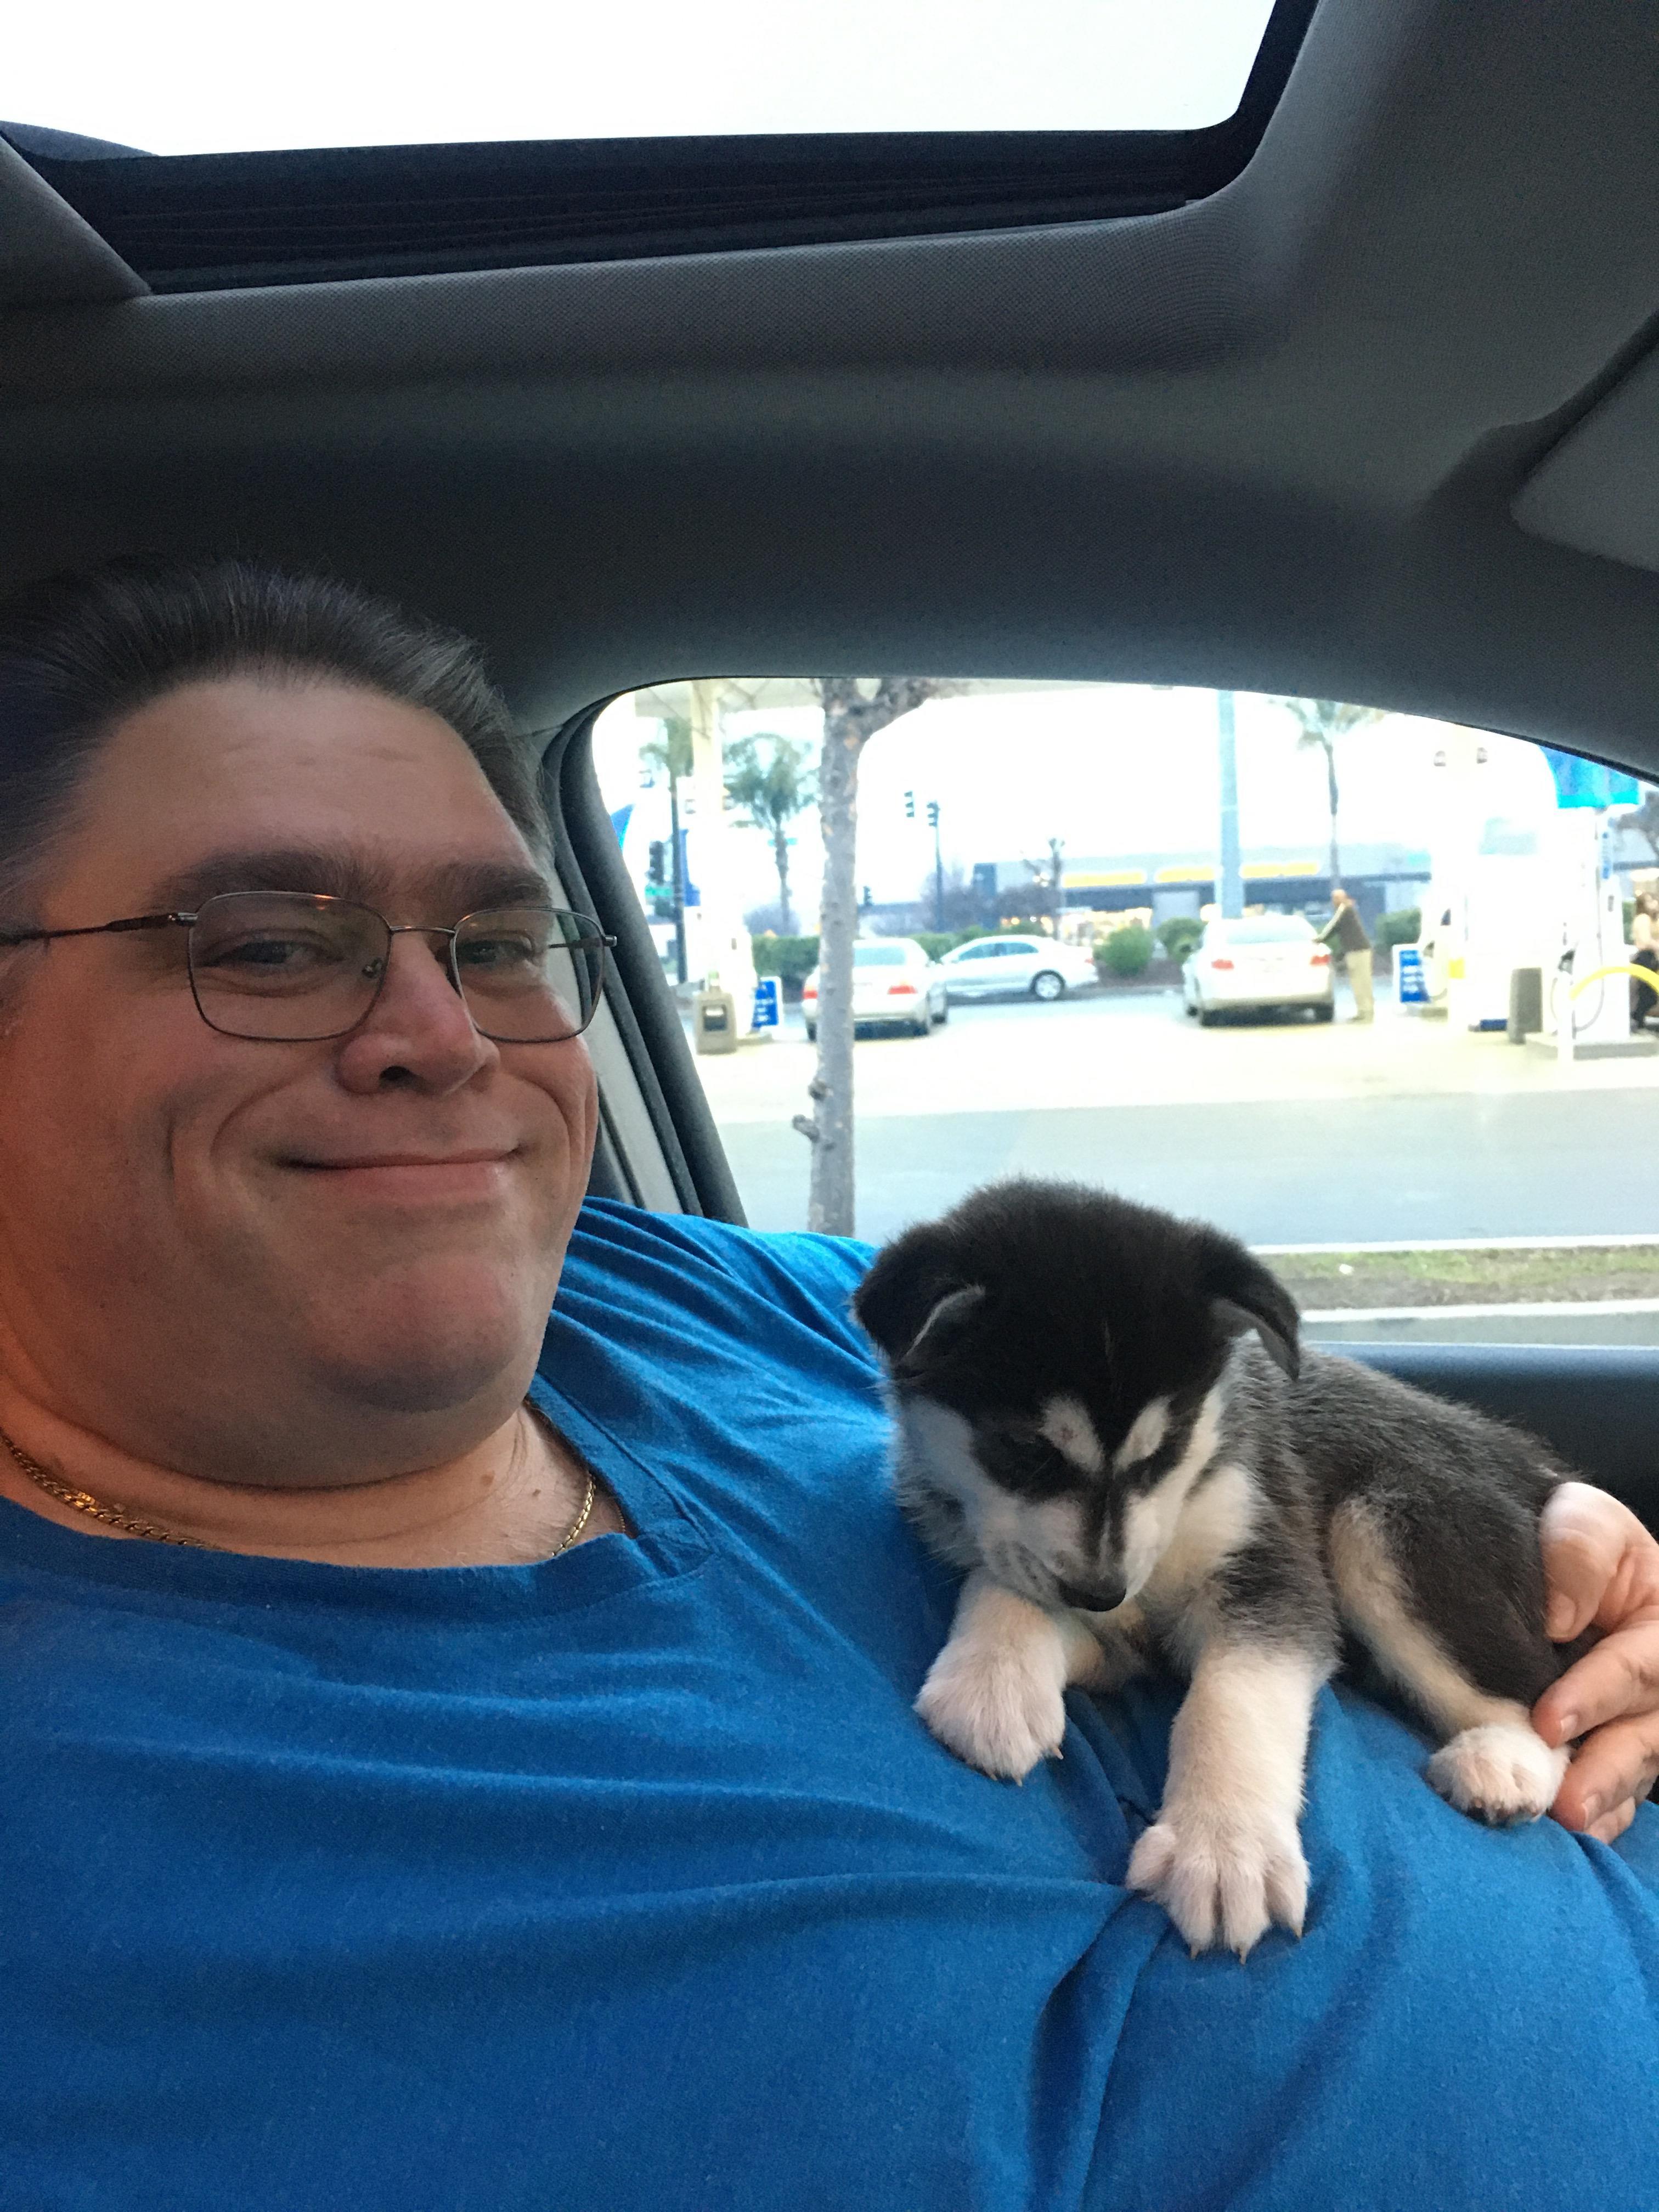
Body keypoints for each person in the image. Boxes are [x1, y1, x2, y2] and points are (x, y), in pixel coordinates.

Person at [0, 558, 1656, 2212]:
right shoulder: (84, 1878)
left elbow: (1218, 1398)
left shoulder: (714, 1296)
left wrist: (1563, 1553)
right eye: (275, 947)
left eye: (500, 942)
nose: (445, 1035)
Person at [1317, 884, 1375, 1021]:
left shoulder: (1344, 909)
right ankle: (1367, 1012)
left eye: (1336, 898)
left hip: (1357, 951)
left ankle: (1365, 1013)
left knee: (1360, 982)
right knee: (1364, 982)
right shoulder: (1348, 909)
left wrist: (1319, 939)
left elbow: (1332, 927)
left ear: (1342, 898)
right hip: (1360, 949)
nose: (1334, 901)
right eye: (1334, 898)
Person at [1630, 887, 1658, 1028]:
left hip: (1646, 958)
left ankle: (1638, 1020)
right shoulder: (1644, 918)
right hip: (1646, 958)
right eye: (1651, 901)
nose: (1655, 904)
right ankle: (1637, 1020)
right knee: (1647, 994)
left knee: (1645, 993)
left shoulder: (1647, 919)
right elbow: (1646, 941)